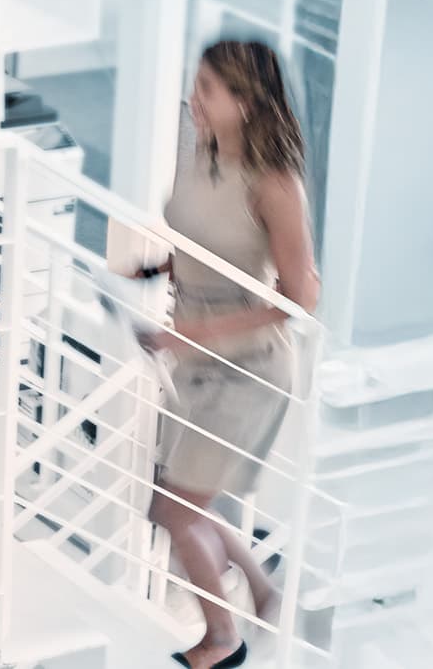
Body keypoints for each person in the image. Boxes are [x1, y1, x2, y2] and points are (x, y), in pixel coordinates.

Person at [136, 40, 320, 669]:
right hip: (193, 346)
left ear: (244, 103)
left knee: (175, 507)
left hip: (247, 367)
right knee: (183, 499)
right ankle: (263, 591)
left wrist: (199, 334)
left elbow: (302, 297)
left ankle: (223, 638)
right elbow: (203, 235)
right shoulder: (203, 148)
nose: (194, 98)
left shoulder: (276, 184)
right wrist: (164, 265)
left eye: (207, 90)